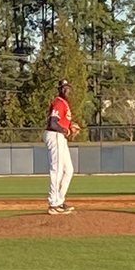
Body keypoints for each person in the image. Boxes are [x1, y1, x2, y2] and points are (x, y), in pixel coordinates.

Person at [44, 78, 80, 215]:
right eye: (64, 87)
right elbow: (53, 123)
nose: (66, 90)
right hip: (55, 135)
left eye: (68, 87)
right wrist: (66, 130)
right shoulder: (59, 102)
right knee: (57, 169)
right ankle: (53, 203)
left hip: (60, 137)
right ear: (60, 89)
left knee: (68, 170)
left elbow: (61, 122)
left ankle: (59, 200)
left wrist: (70, 126)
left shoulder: (64, 103)